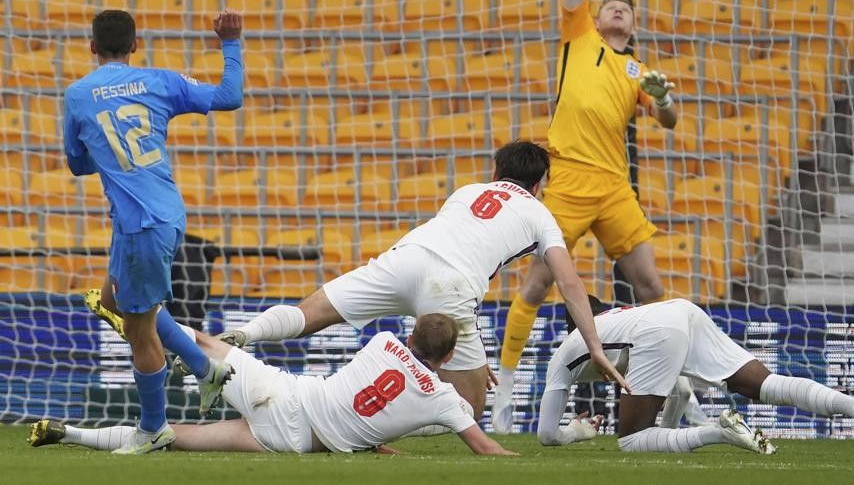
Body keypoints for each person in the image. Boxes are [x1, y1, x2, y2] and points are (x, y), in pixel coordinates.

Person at [212, 141, 631, 420]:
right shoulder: (541, 215)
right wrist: (595, 347)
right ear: (540, 184)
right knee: (466, 409)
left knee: (308, 314)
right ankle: (384, 424)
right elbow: (570, 283)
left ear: (495, 171)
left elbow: (464, 241)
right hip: (450, 286)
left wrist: (473, 350)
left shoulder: (467, 191)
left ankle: (244, 334)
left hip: (405, 258)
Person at [493, 0, 679, 432]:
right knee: (539, 281)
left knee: (650, 286)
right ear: (597, 17)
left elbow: (670, 122)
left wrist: (664, 97)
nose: (618, 6)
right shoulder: (579, 38)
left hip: (614, 188)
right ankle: (503, 394)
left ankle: (669, 388)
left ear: (633, 23)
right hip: (569, 178)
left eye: (627, 6)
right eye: (610, 4)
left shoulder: (637, 72)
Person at [62, 8, 245, 454]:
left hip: (141, 224)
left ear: (92, 47)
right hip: (156, 215)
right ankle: (205, 368)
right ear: (135, 45)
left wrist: (103, 152)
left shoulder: (78, 94)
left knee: (140, 334)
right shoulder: (159, 81)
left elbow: (76, 163)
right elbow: (229, 95)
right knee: (111, 301)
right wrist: (231, 42)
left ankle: (153, 428)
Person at [29, 314, 517, 456]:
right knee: (170, 438)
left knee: (204, 343)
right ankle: (71, 434)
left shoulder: (385, 341)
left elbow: (357, 401)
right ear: (450, 356)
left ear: (411, 335)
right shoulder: (445, 399)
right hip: (294, 440)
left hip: (287, 392)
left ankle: (136, 315)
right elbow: (483, 447)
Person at [535, 297, 854, 457]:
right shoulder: (620, 318)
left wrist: (575, 433)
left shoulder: (566, 350)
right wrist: (665, 431)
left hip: (658, 330)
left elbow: (546, 434)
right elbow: (679, 390)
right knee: (765, 385)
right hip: (679, 311)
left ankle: (720, 432)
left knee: (631, 441)